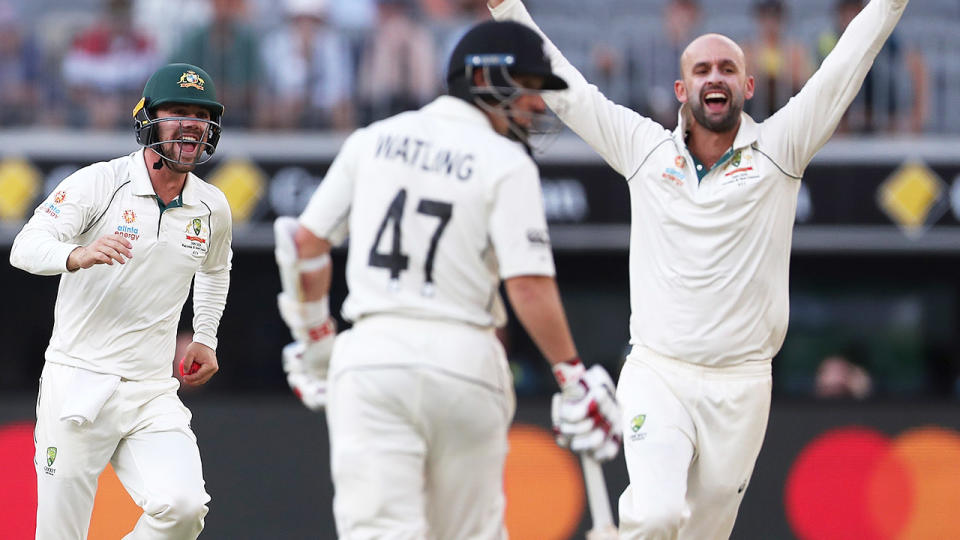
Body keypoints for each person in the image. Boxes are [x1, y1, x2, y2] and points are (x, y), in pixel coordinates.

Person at [488, 0, 910, 537]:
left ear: (748, 87)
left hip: (742, 386)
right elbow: (568, 91)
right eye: (702, 69)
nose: (716, 77)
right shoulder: (644, 149)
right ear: (682, 91)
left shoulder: (781, 148)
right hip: (658, 370)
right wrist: (507, 9)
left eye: (728, 68)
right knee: (658, 514)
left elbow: (847, 64)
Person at [273, 20, 621, 538]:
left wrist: (315, 336)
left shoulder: (373, 139)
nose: (535, 106)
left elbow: (304, 244)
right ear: (483, 78)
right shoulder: (507, 161)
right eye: (527, 87)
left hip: (372, 355)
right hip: (464, 360)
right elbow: (527, 285)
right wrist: (571, 375)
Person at [9, 62, 232, 539]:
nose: (191, 124)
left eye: (201, 115)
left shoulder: (213, 205)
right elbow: (25, 247)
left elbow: (216, 268)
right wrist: (77, 253)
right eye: (177, 112)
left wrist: (206, 336)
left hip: (151, 390)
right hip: (78, 382)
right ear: (148, 119)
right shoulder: (100, 183)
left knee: (183, 508)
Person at [817, 0, 928, 133]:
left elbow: (916, 63)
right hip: (845, 114)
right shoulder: (828, 41)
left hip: (881, 111)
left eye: (855, 11)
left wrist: (917, 116)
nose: (850, 18)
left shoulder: (882, 35)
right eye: (846, 12)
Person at [743, 0, 813, 121]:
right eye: (765, 18)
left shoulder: (795, 50)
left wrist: (780, 78)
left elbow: (804, 81)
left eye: (775, 18)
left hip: (786, 108)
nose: (770, 24)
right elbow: (743, 82)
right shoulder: (748, 50)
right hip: (755, 110)